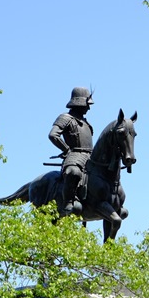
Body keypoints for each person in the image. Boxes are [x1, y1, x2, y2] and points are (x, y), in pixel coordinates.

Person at [49, 86, 94, 215]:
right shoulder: (66, 118)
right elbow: (53, 135)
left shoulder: (86, 122)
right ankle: (68, 202)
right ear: (80, 103)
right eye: (87, 104)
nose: (88, 108)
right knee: (73, 172)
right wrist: (67, 149)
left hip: (90, 155)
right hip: (74, 155)